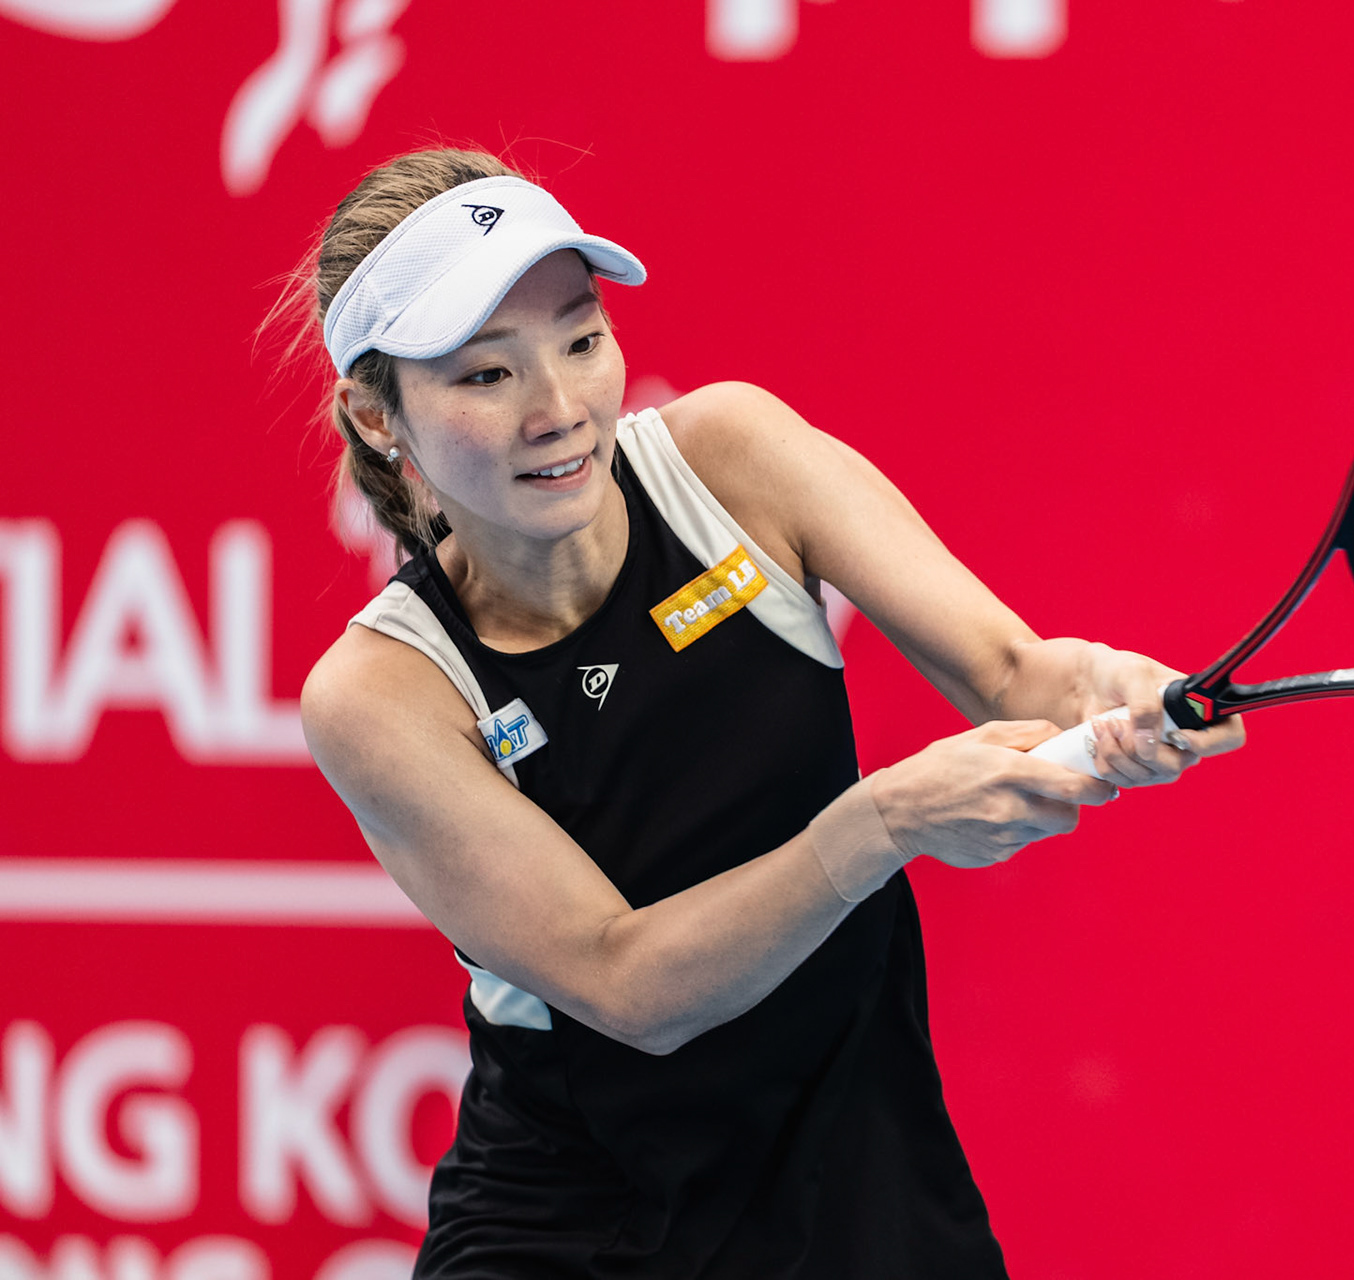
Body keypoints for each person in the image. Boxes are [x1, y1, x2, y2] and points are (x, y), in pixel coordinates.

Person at [294, 148, 1244, 1278]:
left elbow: (1011, 670)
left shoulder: (731, 458)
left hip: (865, 1186)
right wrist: (885, 823)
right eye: (486, 376)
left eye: (583, 340)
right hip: (572, 1231)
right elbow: (622, 980)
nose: (558, 409)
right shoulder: (382, 690)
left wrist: (1109, 688)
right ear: (376, 408)